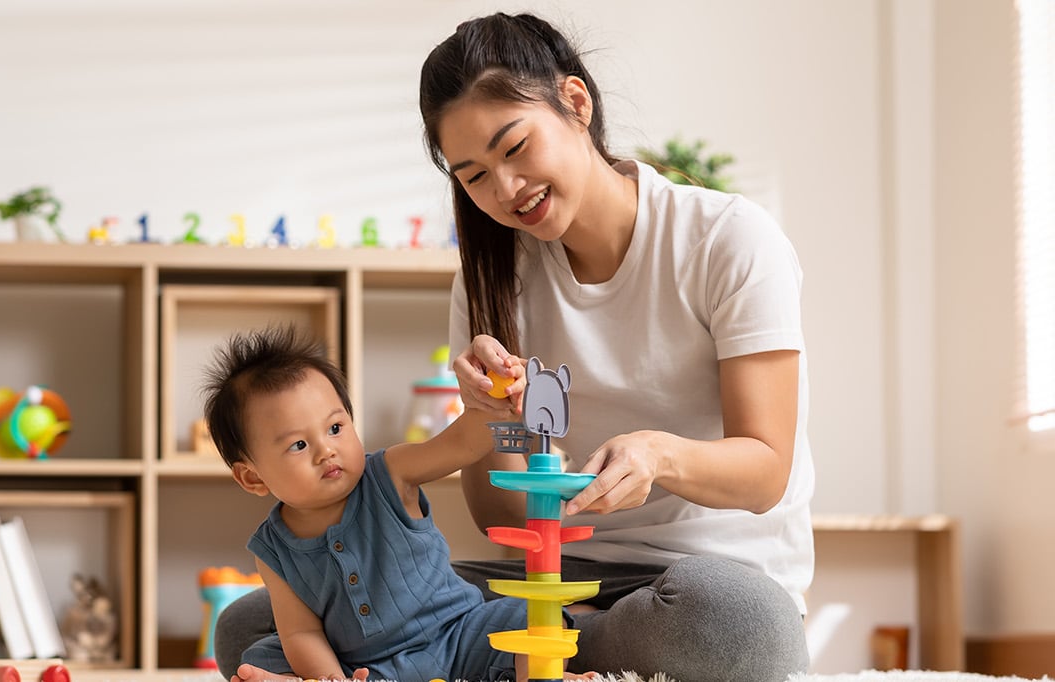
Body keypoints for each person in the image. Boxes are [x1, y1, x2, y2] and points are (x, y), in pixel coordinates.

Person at [419, 11, 815, 682]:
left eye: (514, 148)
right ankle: (564, 654)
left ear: (576, 103)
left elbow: (765, 471)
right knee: (267, 617)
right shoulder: (489, 281)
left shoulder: (728, 240)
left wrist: (657, 453)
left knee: (738, 628)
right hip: (551, 581)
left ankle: (520, 659)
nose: (506, 190)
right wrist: (496, 425)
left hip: (698, 586)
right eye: (475, 176)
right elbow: (495, 514)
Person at [201, 325, 596, 682]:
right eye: (299, 445)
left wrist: (499, 398)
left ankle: (546, 677)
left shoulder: (391, 472)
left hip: (459, 633)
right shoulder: (272, 551)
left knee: (527, 620)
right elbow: (301, 632)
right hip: (368, 667)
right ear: (252, 477)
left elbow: (461, 443)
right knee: (261, 656)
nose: (327, 451)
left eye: (336, 428)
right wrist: (330, 679)